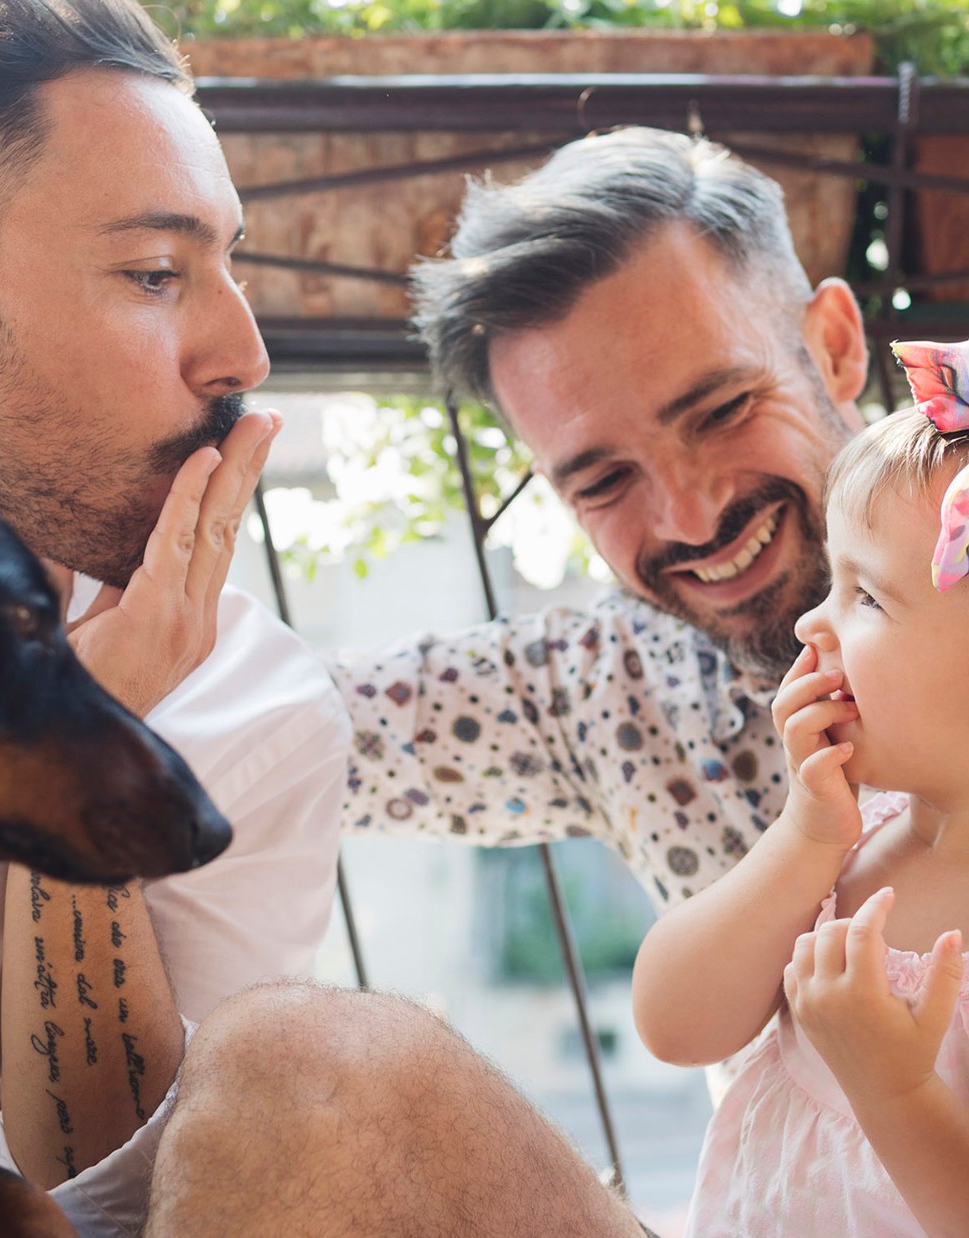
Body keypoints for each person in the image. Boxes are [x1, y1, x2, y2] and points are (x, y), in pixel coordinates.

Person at [0, 0, 348, 1238]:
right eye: (156, 273)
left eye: (230, 267)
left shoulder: (254, 705)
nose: (245, 352)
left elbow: (126, 1214)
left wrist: (92, 749)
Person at [633, 309, 969, 1238]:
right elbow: (673, 1021)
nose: (813, 623)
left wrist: (894, 1092)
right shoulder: (853, 825)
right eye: (831, 582)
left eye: (864, 597)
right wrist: (803, 841)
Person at [331, 125, 870, 911]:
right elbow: (277, 737)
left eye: (721, 411)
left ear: (834, 346)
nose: (690, 517)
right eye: (606, 479)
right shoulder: (607, 690)